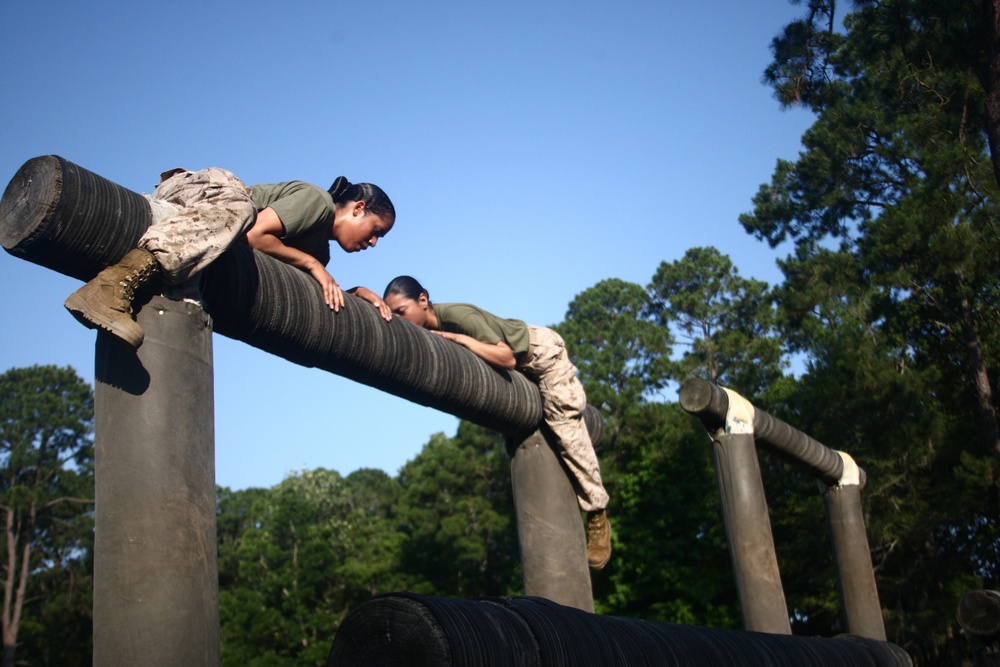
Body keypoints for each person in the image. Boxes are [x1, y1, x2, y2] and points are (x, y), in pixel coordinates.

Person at [382, 275, 612, 570]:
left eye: (402, 311)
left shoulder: (457, 318)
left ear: (423, 301)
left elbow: (507, 357)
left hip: (542, 355)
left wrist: (459, 339)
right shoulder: (432, 327)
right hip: (525, 366)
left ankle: (597, 513)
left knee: (565, 428)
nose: (400, 319)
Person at [64, 167, 395, 348]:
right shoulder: (318, 202)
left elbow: (312, 288)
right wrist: (310, 265)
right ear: (358, 208)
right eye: (376, 230)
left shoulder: (318, 251)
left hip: (205, 223)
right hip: (212, 192)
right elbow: (255, 235)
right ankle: (110, 286)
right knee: (241, 211)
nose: (375, 242)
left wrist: (358, 295)